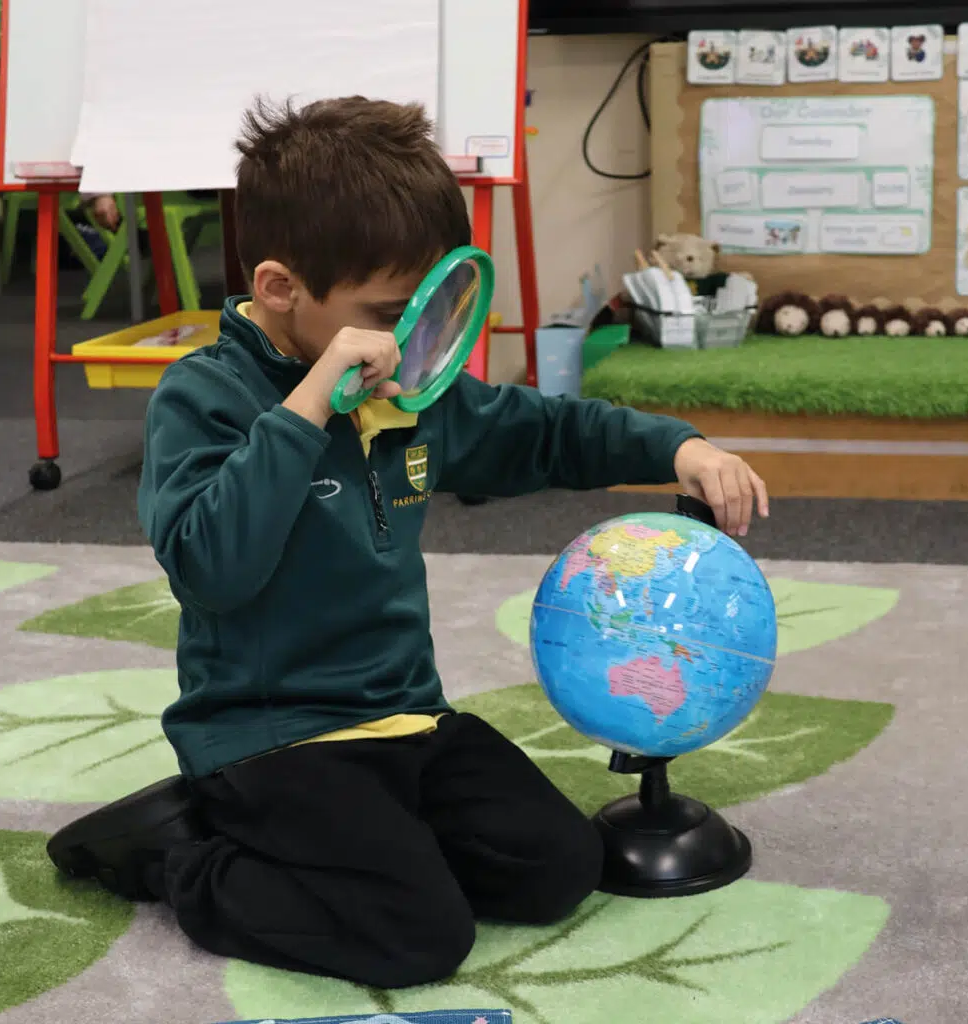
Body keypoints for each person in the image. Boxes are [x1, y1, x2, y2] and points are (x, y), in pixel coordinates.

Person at [46, 96, 769, 990]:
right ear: (279, 289)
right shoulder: (206, 397)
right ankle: (178, 858)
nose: (417, 341)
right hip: (272, 739)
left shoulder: (406, 388)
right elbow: (212, 570)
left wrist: (676, 447)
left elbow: (542, 431)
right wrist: (307, 406)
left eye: (425, 309)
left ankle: (361, 851)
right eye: (392, 312)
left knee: (559, 868)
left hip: (407, 718)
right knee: (417, 936)